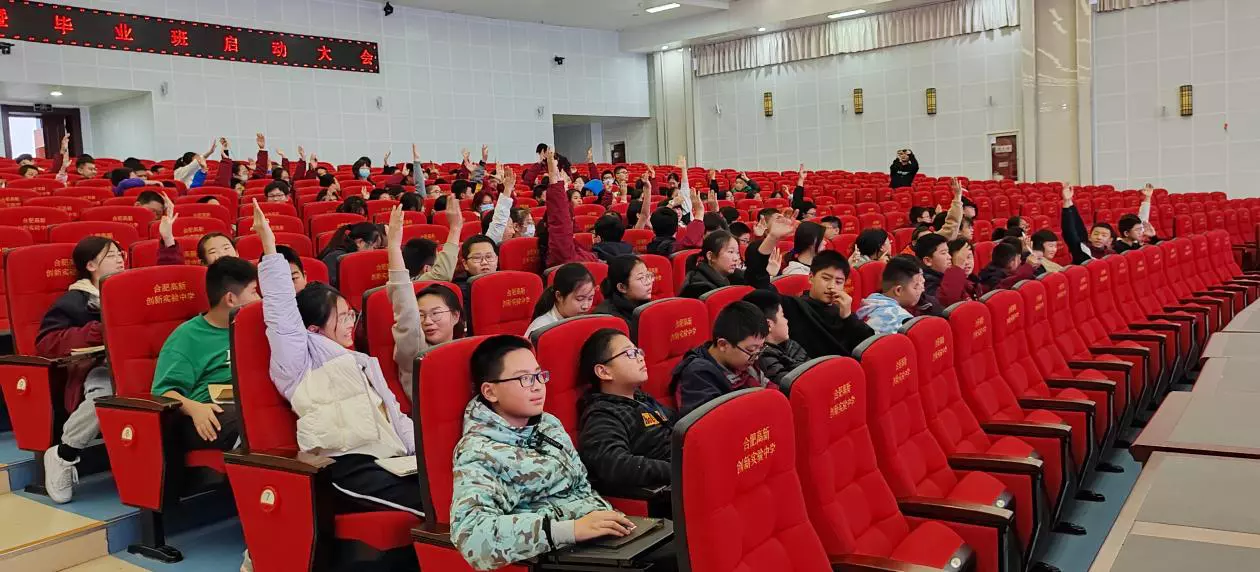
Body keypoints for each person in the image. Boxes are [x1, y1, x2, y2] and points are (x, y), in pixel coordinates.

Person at [255, 202, 422, 524]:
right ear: (314, 328)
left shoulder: (361, 361)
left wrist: (426, 453)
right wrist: (269, 246)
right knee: (438, 505)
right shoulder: (299, 362)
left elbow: (395, 416)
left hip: (392, 459)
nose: (350, 324)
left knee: (451, 484)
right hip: (345, 463)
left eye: (350, 314)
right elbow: (282, 316)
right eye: (342, 317)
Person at [451, 335, 637, 571]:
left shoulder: (548, 424)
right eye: (524, 379)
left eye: (539, 375)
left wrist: (606, 520)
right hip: (552, 554)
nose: (538, 386)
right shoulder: (478, 452)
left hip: (598, 540)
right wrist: (569, 530)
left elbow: (582, 486)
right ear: (490, 392)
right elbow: (471, 535)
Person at [36, 237, 125, 503]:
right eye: (111, 255)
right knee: (106, 391)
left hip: (133, 364)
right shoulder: (74, 301)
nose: (120, 259)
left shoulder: (128, 290)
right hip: (94, 368)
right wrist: (95, 331)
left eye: (120, 254)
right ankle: (64, 454)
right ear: (90, 265)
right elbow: (46, 343)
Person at [152, 257, 259, 452]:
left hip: (249, 402)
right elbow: (163, 393)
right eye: (253, 292)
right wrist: (195, 409)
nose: (259, 299)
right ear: (230, 299)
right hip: (207, 414)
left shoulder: (253, 328)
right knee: (252, 422)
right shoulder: (187, 337)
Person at [744, 221, 876, 359]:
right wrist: (772, 238)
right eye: (826, 278)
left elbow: (867, 348)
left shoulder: (843, 312)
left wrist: (848, 317)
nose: (831, 286)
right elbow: (757, 280)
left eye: (838, 282)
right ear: (811, 277)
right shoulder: (794, 306)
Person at [577, 329, 674, 494]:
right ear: (604, 372)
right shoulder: (602, 414)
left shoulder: (641, 398)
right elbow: (615, 464)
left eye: (638, 351)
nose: (640, 357)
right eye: (629, 353)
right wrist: (678, 469)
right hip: (667, 490)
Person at [669, 301, 769, 417]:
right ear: (723, 345)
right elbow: (713, 421)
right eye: (751, 349)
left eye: (760, 348)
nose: (756, 356)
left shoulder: (744, 361)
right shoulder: (697, 376)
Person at [741, 289, 807, 389]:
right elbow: (793, 387)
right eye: (783, 316)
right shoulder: (761, 358)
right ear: (768, 325)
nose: (786, 321)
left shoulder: (789, 344)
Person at [856, 255, 923, 335]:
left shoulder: (870, 302)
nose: (922, 289)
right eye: (916, 286)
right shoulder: (903, 323)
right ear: (898, 290)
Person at [678, 230, 756, 298]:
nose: (736, 258)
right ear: (710, 256)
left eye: (737, 253)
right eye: (730, 252)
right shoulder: (699, 288)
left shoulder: (735, 276)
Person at [525, 263, 596, 337]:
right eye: (579, 299)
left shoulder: (584, 321)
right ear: (559, 296)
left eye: (590, 298)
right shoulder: (542, 330)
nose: (586, 306)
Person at [592, 255, 654, 326]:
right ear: (622, 287)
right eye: (641, 278)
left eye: (647, 275)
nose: (649, 282)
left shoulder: (646, 305)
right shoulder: (607, 318)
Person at [318, 222, 382, 288]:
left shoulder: (352, 255)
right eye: (374, 248)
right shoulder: (336, 258)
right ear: (360, 242)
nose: (375, 252)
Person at [1061, 185, 1113, 263]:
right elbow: (1071, 230)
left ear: (1110, 240)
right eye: (1096, 234)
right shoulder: (1081, 249)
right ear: (1090, 237)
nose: (1099, 237)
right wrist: (1067, 201)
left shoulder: (1112, 255)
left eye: (1104, 235)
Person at [912, 233, 951, 316]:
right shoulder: (926, 283)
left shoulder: (943, 275)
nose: (949, 257)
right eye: (943, 253)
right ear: (928, 261)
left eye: (948, 252)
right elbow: (947, 305)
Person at [940, 239, 982, 306]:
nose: (966, 262)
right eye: (961, 259)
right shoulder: (945, 285)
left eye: (969, 257)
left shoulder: (975, 281)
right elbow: (950, 303)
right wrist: (958, 267)